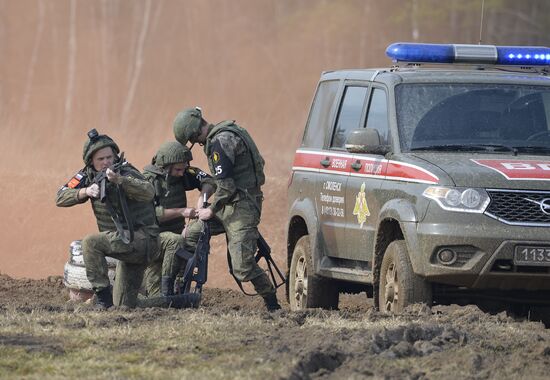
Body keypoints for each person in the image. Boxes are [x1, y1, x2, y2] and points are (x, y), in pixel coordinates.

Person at [173, 107, 281, 311]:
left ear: (195, 133)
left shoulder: (220, 143)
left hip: (243, 207)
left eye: (195, 141)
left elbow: (228, 186)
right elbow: (221, 180)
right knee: (191, 235)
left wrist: (210, 209)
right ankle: (178, 290)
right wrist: (204, 197)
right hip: (229, 204)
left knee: (242, 267)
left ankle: (272, 301)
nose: (198, 145)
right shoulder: (225, 134)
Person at [56, 129, 159, 309]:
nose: (106, 162)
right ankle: (180, 302)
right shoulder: (86, 176)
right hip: (124, 246)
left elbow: (149, 192)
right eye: (100, 159)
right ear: (91, 162)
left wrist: (121, 181)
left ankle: (103, 302)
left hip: (143, 240)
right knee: (125, 305)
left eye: (109, 157)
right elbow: (60, 196)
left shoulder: (125, 171)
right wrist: (85, 192)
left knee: (90, 243)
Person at [142, 141, 215, 297]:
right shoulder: (148, 181)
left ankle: (179, 287)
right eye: (178, 169)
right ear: (165, 167)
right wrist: (182, 212)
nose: (182, 173)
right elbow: (150, 214)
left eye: (184, 168)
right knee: (156, 296)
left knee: (190, 242)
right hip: (155, 239)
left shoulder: (182, 172)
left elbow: (208, 180)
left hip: (177, 237)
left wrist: (203, 197)